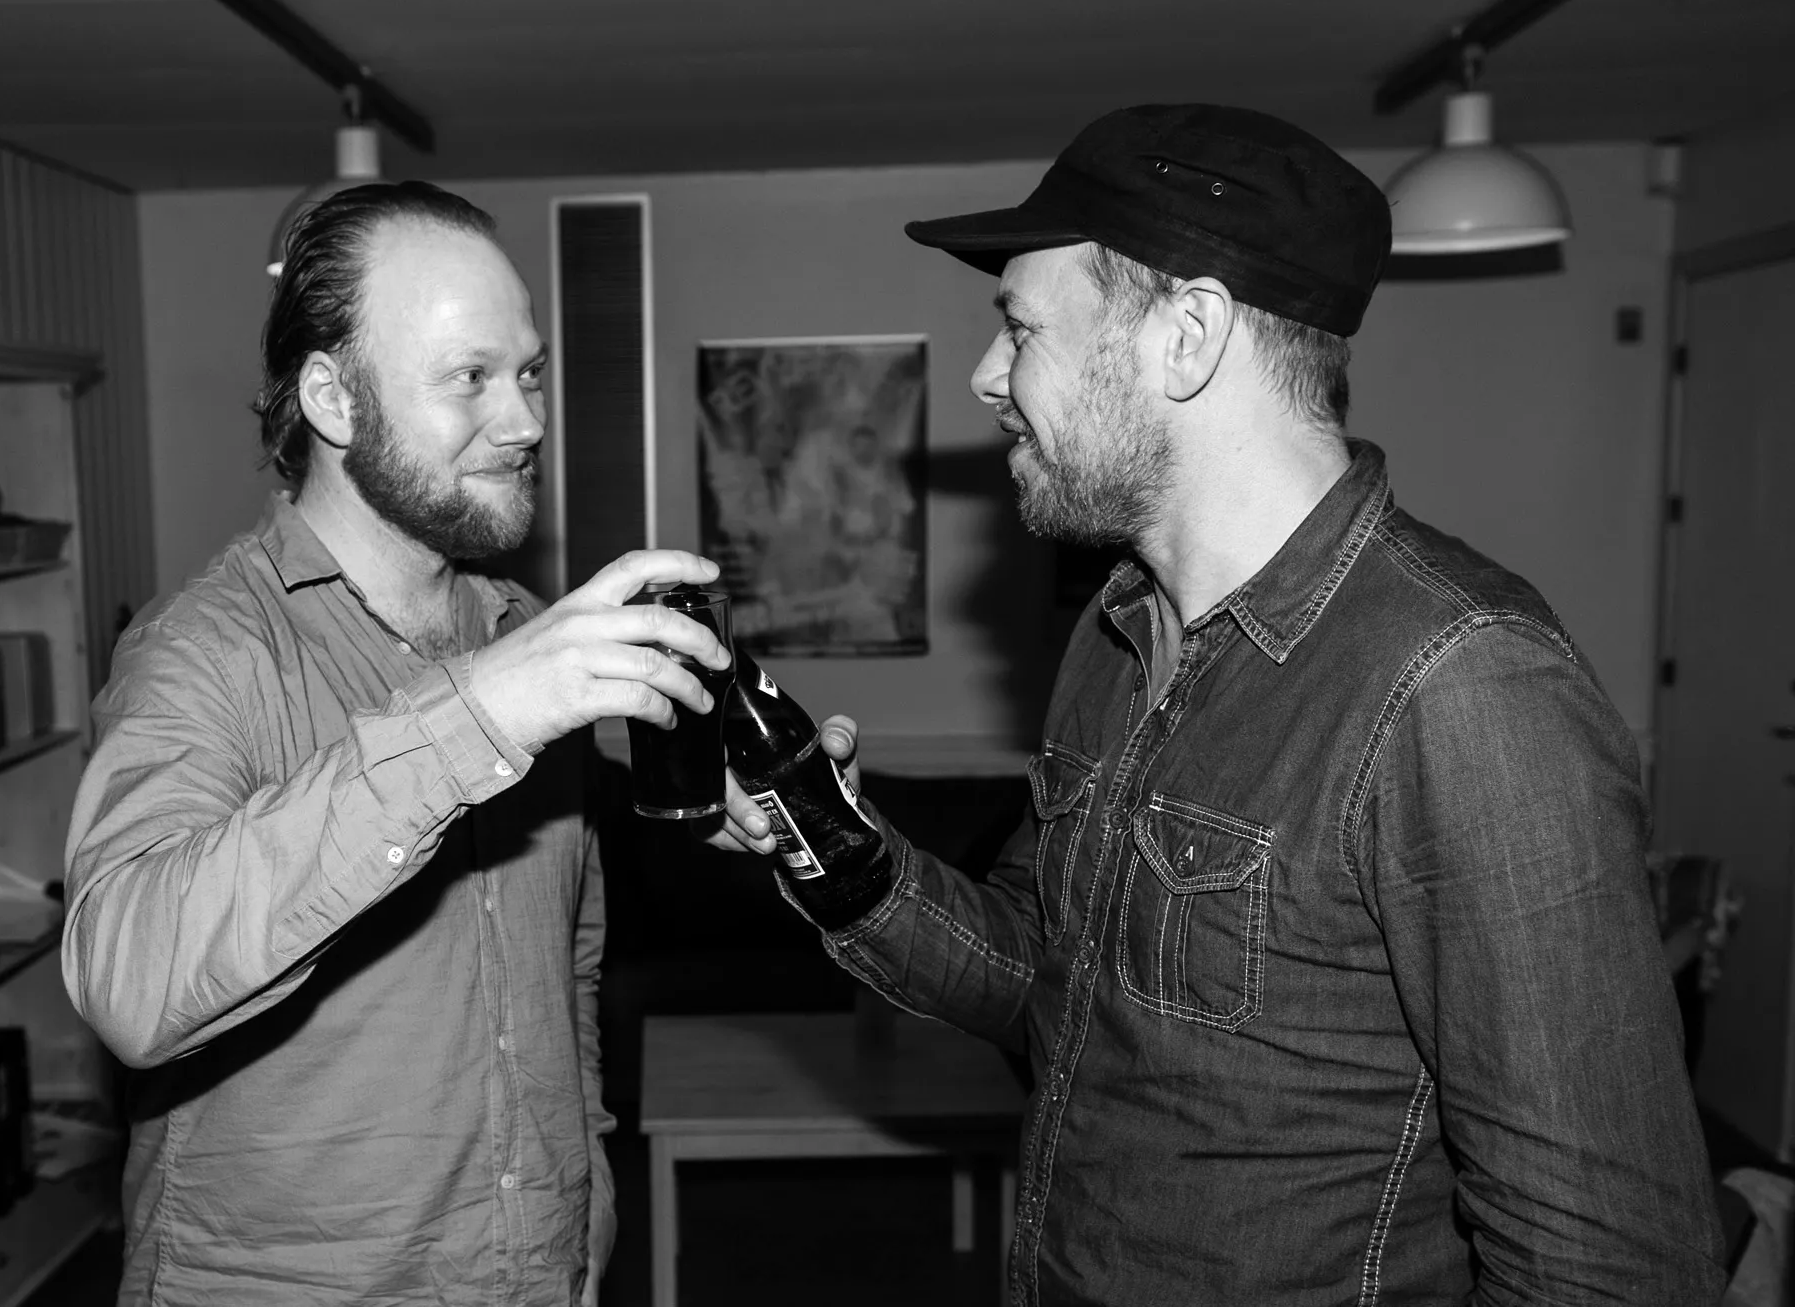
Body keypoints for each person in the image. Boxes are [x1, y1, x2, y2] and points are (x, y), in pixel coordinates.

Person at [713, 105, 1726, 1303]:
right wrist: (830, 843)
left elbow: (1605, 1261)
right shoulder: (1114, 635)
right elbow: (1045, 982)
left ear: (1186, 336)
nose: (986, 376)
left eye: (1020, 327)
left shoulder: (1463, 683)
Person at [63, 182, 729, 1306]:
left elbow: (563, 962)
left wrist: (584, 1194)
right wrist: (473, 715)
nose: (525, 421)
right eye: (469, 376)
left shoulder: (522, 636)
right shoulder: (199, 649)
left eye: (528, 373)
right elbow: (127, 982)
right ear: (332, 398)